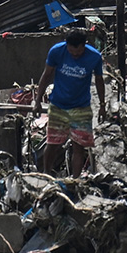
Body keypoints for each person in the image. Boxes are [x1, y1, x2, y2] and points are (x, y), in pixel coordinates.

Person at [33, 29, 106, 178]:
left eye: (78, 52)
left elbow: (99, 80)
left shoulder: (94, 57)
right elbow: (46, 75)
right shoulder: (56, 52)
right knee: (53, 143)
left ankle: (75, 179)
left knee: (78, 146)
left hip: (81, 107)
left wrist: (103, 105)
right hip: (58, 104)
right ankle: (47, 174)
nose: (75, 55)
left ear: (84, 45)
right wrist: (38, 101)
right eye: (72, 52)